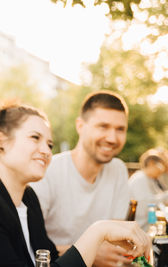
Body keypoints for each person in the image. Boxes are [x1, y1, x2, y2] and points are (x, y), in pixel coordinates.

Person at [0, 103, 150, 267]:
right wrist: (98, 232)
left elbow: (53, 258)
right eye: (35, 138)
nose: (46, 151)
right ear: (1, 142)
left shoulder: (27, 198)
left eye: (49, 145)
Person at [31, 90, 132, 267]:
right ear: (80, 126)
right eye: (103, 126)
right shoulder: (46, 171)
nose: (112, 138)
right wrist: (91, 252)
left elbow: (115, 242)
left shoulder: (118, 170)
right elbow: (30, 246)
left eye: (120, 129)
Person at [129, 148, 168, 230]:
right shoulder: (139, 179)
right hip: (140, 227)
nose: (162, 170)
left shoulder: (151, 180)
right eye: (161, 166)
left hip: (148, 227)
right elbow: (147, 204)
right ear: (151, 163)